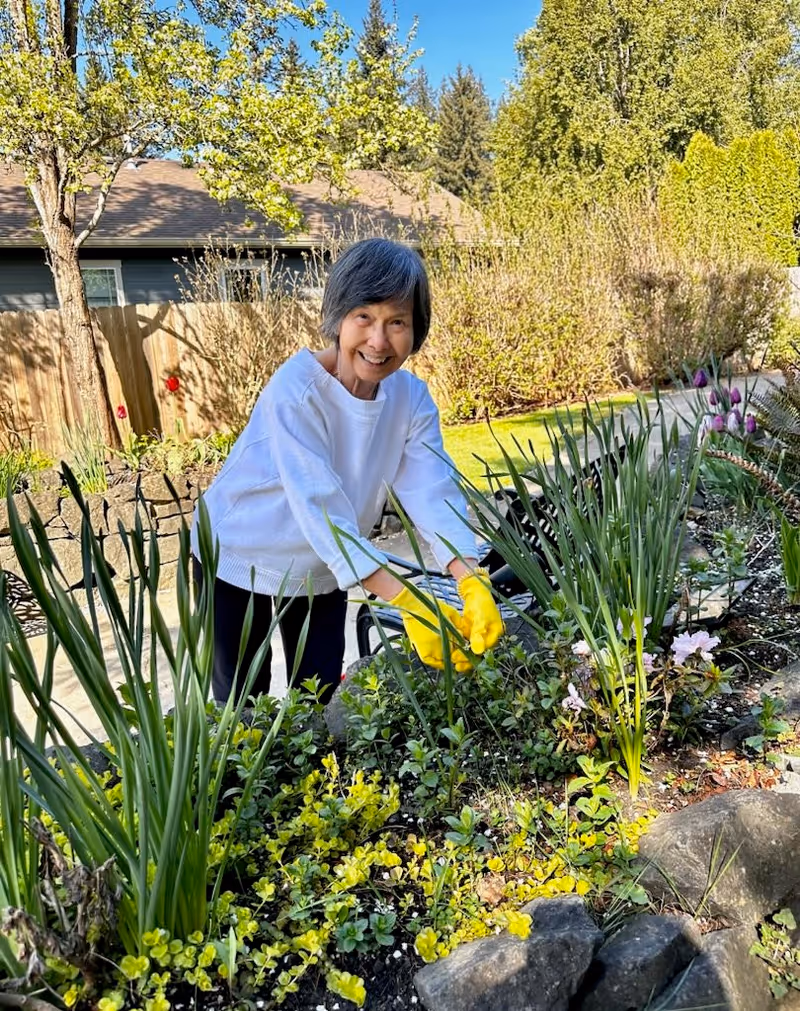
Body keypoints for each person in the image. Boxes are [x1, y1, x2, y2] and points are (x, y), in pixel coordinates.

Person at [191, 237, 503, 704]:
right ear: (338, 317)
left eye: (397, 322)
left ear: (416, 331)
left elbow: (431, 491)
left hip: (324, 564)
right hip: (237, 555)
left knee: (317, 699)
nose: (379, 341)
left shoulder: (410, 399)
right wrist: (409, 602)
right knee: (241, 708)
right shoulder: (297, 391)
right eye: (365, 317)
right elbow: (320, 511)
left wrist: (469, 575)